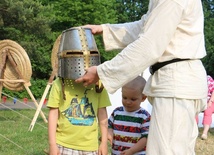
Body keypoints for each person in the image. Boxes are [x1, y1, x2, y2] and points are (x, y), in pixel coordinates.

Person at [75, 0, 208, 154]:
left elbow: (149, 44)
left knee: (166, 151)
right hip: (178, 82)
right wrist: (106, 30)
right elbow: (146, 26)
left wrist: (101, 72)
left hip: (176, 84)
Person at [47, 27, 111, 155]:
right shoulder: (60, 84)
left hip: (90, 147)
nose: (85, 59)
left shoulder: (98, 84)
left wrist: (103, 142)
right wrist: (52, 144)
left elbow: (102, 114)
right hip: (64, 144)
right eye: (76, 54)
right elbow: (53, 115)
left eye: (90, 54)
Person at [108, 76, 150, 155]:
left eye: (133, 99)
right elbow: (109, 125)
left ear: (143, 98)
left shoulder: (144, 117)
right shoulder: (117, 112)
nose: (128, 102)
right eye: (124, 97)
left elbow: (145, 138)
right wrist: (109, 134)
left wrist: (131, 151)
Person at [200, 75, 214, 140]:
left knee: (208, 111)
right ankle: (192, 131)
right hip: (199, 101)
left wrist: (210, 101)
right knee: (194, 111)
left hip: (210, 100)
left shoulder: (208, 79)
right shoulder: (194, 79)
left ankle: (204, 133)